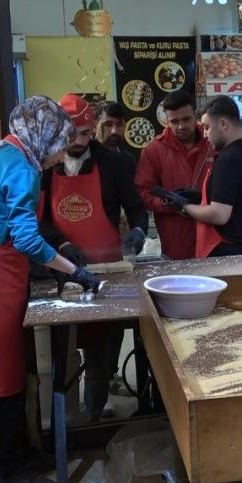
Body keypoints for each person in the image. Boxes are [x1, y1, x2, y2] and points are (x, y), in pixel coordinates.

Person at [0, 96, 101, 483]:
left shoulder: (0, 151)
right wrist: (75, 272)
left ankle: (22, 456)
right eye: (59, 147)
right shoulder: (22, 168)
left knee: (9, 369)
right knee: (1, 373)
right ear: (44, 137)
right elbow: (26, 239)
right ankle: (10, 472)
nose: (59, 157)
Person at [39, 93, 148, 423]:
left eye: (85, 134)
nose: (78, 142)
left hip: (106, 270)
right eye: (71, 135)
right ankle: (64, 420)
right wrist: (60, 243)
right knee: (62, 351)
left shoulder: (114, 164)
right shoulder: (45, 165)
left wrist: (138, 231)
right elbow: (37, 219)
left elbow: (136, 208)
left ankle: (94, 415)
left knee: (102, 351)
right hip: (60, 270)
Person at [159, 96, 242, 257]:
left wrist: (185, 206)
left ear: (223, 124)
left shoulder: (228, 160)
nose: (205, 135)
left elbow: (219, 215)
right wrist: (201, 197)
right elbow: (236, 200)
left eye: (207, 127)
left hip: (224, 253)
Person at [135, 91, 213, 260]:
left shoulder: (212, 142)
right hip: (176, 240)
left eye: (186, 119)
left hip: (213, 236)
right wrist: (171, 204)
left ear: (196, 115)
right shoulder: (154, 150)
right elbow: (143, 191)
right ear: (166, 120)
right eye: (174, 121)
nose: (181, 126)